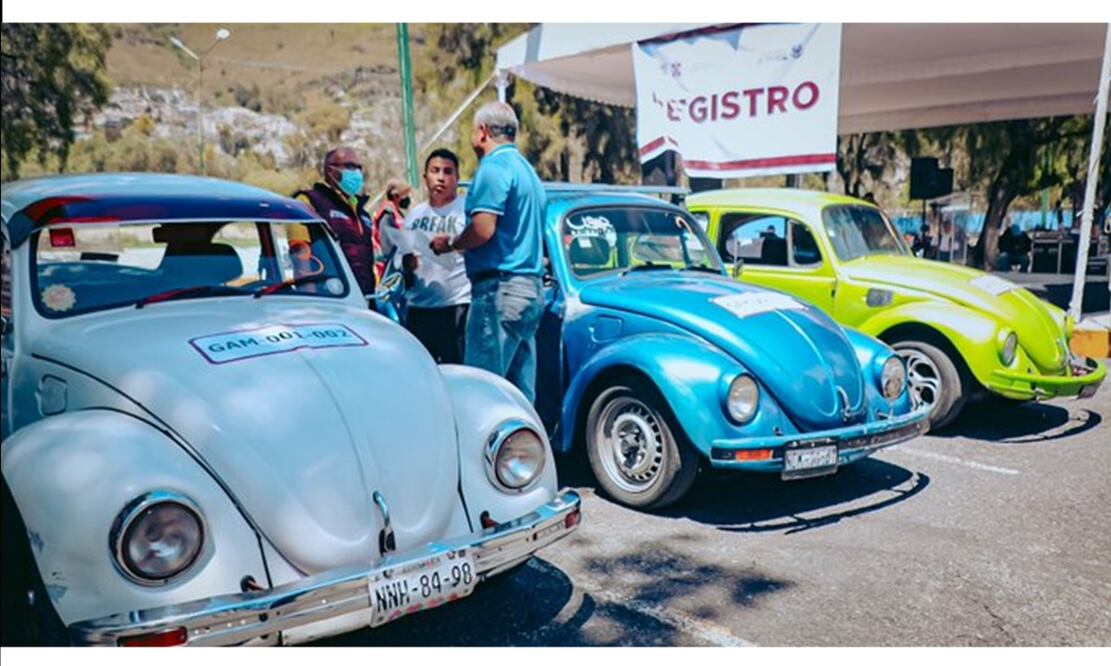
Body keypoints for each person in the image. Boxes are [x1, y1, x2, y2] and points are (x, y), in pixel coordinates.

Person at [429, 101, 546, 403]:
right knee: (520, 394)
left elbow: (483, 229)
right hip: (530, 289)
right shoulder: (528, 172)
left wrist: (450, 244)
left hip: (499, 292)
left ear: (482, 132)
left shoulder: (493, 168)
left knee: (483, 392)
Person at [384, 148, 471, 364]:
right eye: (435, 171)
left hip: (457, 305)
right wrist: (407, 263)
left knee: (458, 370)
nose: (441, 178)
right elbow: (400, 262)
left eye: (448, 172)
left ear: (457, 178)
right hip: (420, 309)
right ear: (425, 178)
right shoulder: (415, 215)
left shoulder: (466, 211)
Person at [294, 147, 376, 297]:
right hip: (330, 298)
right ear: (330, 171)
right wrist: (310, 299)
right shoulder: (309, 202)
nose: (356, 172)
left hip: (363, 298)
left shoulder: (361, 211)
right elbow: (300, 254)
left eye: (359, 168)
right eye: (349, 166)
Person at [372, 178, 413, 277]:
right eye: (405, 195)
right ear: (396, 196)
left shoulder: (397, 214)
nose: (408, 198)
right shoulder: (387, 215)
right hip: (391, 272)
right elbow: (388, 247)